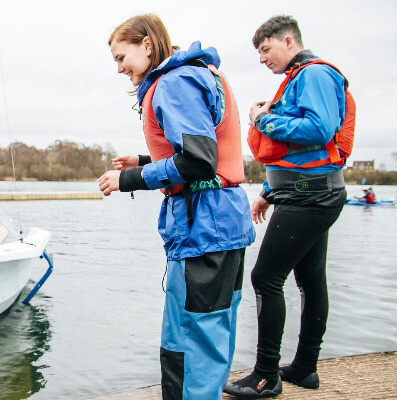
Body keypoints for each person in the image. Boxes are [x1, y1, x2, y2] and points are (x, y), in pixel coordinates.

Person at [99, 14, 255, 400]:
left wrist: (130, 181)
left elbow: (198, 160)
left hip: (203, 226)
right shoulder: (197, 74)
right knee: (214, 328)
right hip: (224, 221)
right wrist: (144, 159)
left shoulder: (174, 82)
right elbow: (204, 151)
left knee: (189, 335)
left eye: (122, 58)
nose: (120, 69)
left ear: (147, 46)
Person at [224, 16, 349, 398]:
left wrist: (263, 119)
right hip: (304, 192)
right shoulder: (298, 79)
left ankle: (265, 376)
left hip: (312, 196)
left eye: (265, 49)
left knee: (265, 278)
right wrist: (268, 190)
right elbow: (296, 158)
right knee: (310, 280)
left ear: (288, 40)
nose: (262, 58)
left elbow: (319, 130)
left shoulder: (314, 75)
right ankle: (305, 369)